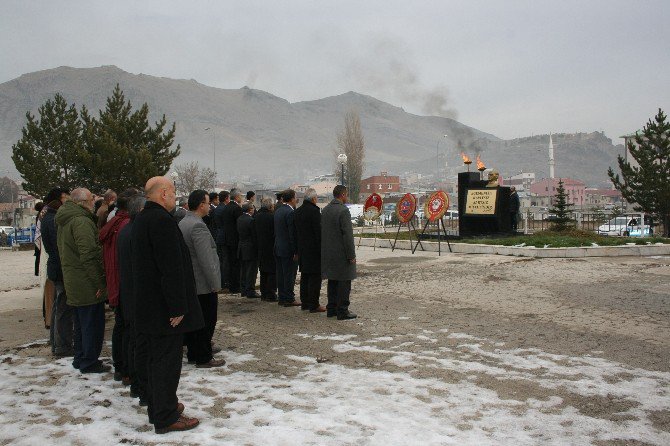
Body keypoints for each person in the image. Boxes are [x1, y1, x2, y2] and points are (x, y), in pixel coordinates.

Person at [132, 176, 203, 434]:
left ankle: (160, 406)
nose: (175, 197)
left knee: (153, 360)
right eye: (173, 192)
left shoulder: (143, 218)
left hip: (149, 304)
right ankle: (165, 416)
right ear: (163, 193)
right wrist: (177, 307)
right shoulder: (161, 221)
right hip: (164, 308)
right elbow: (170, 268)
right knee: (166, 363)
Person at [55, 188, 109, 371]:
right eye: (91, 199)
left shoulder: (66, 218)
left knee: (80, 322)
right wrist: (100, 283)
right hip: (86, 280)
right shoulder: (81, 221)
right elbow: (89, 254)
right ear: (82, 202)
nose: (94, 202)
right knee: (91, 323)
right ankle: (89, 361)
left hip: (74, 277)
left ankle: (80, 358)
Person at [178, 189, 225, 369]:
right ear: (201, 205)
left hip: (192, 281)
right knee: (206, 320)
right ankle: (203, 356)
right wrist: (215, 284)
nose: (209, 207)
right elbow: (206, 258)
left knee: (196, 321)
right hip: (203, 283)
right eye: (207, 203)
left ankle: (194, 352)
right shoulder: (197, 226)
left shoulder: (184, 222)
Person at [116, 191, 147, 405]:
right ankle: (139, 386)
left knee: (132, 340)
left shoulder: (125, 230)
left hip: (128, 293)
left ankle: (135, 382)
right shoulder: (137, 232)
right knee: (139, 344)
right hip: (138, 296)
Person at [100, 189, 134, 383]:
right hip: (123, 282)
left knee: (121, 325)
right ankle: (126, 368)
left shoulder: (113, 223)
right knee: (127, 328)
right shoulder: (125, 226)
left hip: (115, 280)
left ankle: (120, 365)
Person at [41, 188, 73, 356]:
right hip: (59, 268)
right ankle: (62, 346)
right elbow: (58, 247)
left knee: (58, 307)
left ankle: (57, 343)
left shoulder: (48, 216)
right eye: (66, 197)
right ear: (60, 199)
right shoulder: (53, 219)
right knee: (62, 308)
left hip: (54, 267)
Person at [321, 185, 357, 320]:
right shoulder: (343, 211)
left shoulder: (325, 210)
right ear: (342, 195)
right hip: (342, 254)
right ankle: (342, 310)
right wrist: (351, 255)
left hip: (328, 253)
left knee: (333, 281)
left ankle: (331, 308)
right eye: (346, 194)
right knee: (344, 281)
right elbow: (347, 235)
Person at [294, 188, 324, 312]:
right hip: (314, 250)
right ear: (313, 199)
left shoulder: (298, 212)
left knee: (305, 276)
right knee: (315, 278)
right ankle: (314, 304)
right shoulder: (315, 212)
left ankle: (305, 303)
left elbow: (295, 233)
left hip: (302, 249)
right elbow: (318, 233)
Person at [274, 189, 300, 307]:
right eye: (295, 198)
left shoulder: (278, 211)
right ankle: (289, 298)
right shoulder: (290, 212)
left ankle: (282, 297)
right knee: (289, 274)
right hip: (288, 249)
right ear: (292, 199)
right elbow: (292, 234)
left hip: (278, 247)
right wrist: (296, 250)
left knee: (281, 274)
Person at [254, 197, 277, 301]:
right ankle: (270, 294)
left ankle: (263, 293)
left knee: (263, 271)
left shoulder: (256, 216)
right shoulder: (272, 217)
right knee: (272, 271)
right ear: (270, 206)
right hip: (271, 247)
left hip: (260, 247)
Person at [221, 189, 243, 294]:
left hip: (227, 239)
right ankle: (236, 286)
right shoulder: (237, 208)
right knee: (236, 264)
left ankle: (230, 285)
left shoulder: (226, 208)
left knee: (230, 263)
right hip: (235, 240)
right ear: (237, 197)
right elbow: (239, 225)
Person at [238, 202, 259, 298]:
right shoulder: (251, 220)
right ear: (250, 210)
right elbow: (254, 236)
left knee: (243, 270)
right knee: (251, 271)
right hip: (250, 248)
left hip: (241, 247)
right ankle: (250, 290)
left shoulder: (239, 219)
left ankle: (243, 290)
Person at [213, 190, 230, 290]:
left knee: (221, 260)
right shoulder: (224, 209)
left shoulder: (217, 209)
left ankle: (222, 281)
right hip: (224, 237)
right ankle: (225, 282)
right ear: (226, 198)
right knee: (225, 260)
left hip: (218, 235)